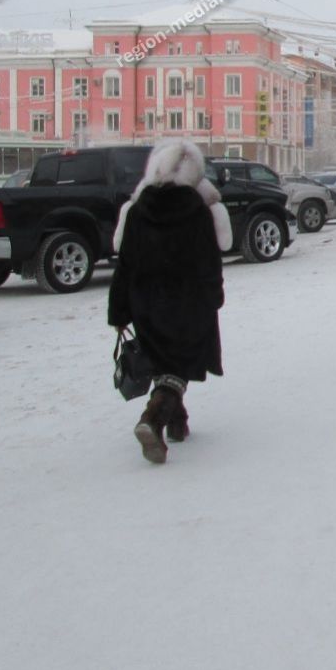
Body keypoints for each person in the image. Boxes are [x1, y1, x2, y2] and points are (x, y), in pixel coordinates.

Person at [108, 140, 231, 465]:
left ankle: (178, 421)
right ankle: (154, 416)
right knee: (179, 366)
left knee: (165, 363)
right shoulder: (196, 211)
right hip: (189, 303)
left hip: (145, 303)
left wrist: (119, 311)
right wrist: (214, 296)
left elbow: (126, 264)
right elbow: (209, 261)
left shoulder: (137, 211)